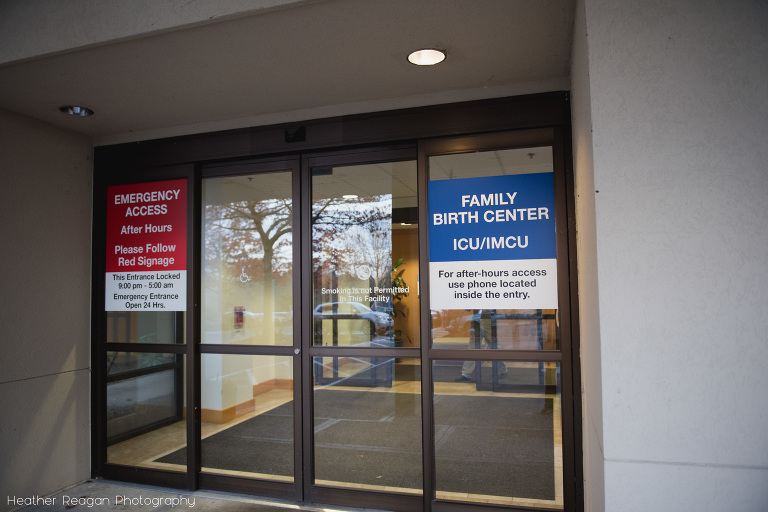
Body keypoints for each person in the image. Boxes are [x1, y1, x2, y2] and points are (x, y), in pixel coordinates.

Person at [455, 309, 506, 382]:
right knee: (472, 347)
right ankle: (466, 374)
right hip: (476, 318)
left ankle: (502, 370)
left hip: (487, 317)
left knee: (493, 345)